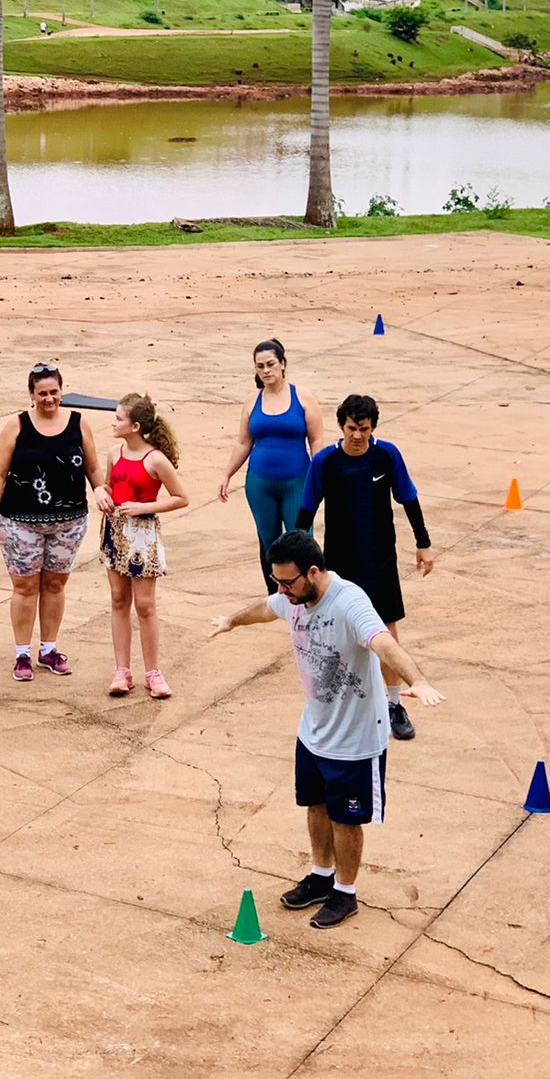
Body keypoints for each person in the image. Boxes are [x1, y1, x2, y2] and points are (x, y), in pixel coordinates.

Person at [208, 532, 444, 929]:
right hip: (314, 729)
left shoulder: (350, 602)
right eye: (277, 582)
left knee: (345, 819)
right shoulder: (291, 598)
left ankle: (345, 893)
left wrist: (416, 680)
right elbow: (265, 609)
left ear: (313, 572)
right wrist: (231, 620)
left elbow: (384, 643)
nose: (282, 591)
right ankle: (320, 876)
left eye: (288, 582)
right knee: (315, 807)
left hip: (355, 737)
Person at [295, 394, 434, 743]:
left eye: (365, 429)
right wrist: (296, 556)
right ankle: (346, 703)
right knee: (338, 634)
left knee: (386, 632)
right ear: (342, 426)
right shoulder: (326, 461)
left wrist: (423, 543)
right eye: (353, 429)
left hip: (379, 559)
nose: (358, 436)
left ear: (374, 428)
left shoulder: (386, 455)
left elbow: (409, 499)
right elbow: (307, 510)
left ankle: (392, 704)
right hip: (339, 563)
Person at [0, 364, 107, 681]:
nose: (49, 398)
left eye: (54, 392)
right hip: (19, 522)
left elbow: (92, 468)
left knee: (55, 584)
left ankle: (49, 649)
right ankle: (22, 654)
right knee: (25, 588)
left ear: (62, 392)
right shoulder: (17, 426)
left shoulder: (79, 423)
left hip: (69, 522)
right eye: (42, 393)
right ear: (31, 395)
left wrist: (101, 491)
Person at [219, 339, 325, 594]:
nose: (266, 371)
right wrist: (227, 474)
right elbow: (243, 442)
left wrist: (319, 478)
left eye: (270, 364)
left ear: (283, 364)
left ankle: (312, 591)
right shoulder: (252, 401)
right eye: (260, 367)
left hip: (297, 481)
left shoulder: (303, 397)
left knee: (302, 538)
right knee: (269, 540)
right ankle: (277, 595)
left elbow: (317, 440)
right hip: (260, 483)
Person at [101, 394, 189, 699]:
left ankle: (153, 671)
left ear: (135, 426)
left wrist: (145, 507)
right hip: (115, 530)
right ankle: (121, 669)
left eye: (119, 418)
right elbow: (108, 487)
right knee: (117, 599)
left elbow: (181, 497)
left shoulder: (155, 459)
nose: (114, 422)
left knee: (145, 605)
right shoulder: (114, 453)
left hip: (143, 535)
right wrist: (102, 493)